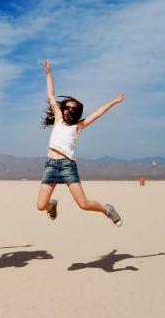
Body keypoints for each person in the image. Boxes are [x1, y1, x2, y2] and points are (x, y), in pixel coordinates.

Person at [37, 60, 125, 226]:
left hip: (67, 166)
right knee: (41, 205)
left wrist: (113, 102)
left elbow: (98, 113)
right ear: (63, 109)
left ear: (76, 113)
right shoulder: (58, 119)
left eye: (73, 109)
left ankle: (107, 210)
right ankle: (52, 205)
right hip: (50, 165)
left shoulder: (79, 126)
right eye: (67, 107)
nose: (69, 110)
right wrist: (48, 73)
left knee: (83, 204)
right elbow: (51, 95)